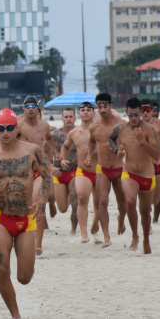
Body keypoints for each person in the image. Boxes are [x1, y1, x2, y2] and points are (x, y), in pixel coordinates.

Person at [0, 109, 51, 319]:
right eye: (1, 128)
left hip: (26, 219)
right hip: (1, 218)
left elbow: (46, 177)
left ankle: (19, 297)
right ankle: (15, 315)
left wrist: (43, 200)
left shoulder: (32, 151)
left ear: (16, 129)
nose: (6, 132)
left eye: (10, 128)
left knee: (24, 278)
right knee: (2, 269)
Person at [110, 99, 160, 252]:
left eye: (136, 114)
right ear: (126, 113)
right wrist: (116, 150)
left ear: (140, 113)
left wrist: (142, 141)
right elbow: (111, 138)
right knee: (130, 200)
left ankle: (146, 239)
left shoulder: (149, 129)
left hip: (147, 175)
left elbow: (156, 155)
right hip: (129, 172)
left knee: (145, 211)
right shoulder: (120, 128)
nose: (133, 118)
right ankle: (135, 236)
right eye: (130, 115)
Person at [16, 96, 59, 255]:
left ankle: (38, 244)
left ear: (37, 108)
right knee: (23, 207)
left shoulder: (44, 125)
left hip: (39, 169)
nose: (31, 108)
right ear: (23, 108)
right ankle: (22, 238)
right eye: (27, 106)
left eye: (33, 105)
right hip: (23, 170)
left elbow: (48, 139)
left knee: (39, 204)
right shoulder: (18, 126)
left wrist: (56, 152)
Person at [89, 94, 127, 246]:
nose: (102, 109)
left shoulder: (121, 124)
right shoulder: (94, 127)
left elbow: (129, 143)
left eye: (105, 106)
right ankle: (106, 237)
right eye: (99, 107)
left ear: (111, 106)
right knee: (102, 201)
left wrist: (123, 151)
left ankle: (121, 219)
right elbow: (91, 142)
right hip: (102, 168)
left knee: (122, 203)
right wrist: (88, 156)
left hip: (119, 168)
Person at [61, 102, 100, 243]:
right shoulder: (74, 133)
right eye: (82, 110)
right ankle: (84, 234)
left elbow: (109, 148)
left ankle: (96, 220)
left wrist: (93, 151)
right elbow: (65, 147)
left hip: (100, 171)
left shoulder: (99, 129)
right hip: (83, 171)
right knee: (82, 199)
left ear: (93, 112)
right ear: (79, 113)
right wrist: (63, 159)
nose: (85, 112)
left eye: (88, 110)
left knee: (100, 203)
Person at [50, 108, 80, 233]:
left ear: (75, 118)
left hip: (75, 171)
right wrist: (50, 166)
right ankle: (64, 194)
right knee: (62, 208)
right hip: (59, 173)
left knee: (75, 203)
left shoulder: (80, 133)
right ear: (62, 119)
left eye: (70, 116)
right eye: (66, 117)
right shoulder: (55, 135)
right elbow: (42, 152)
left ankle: (73, 229)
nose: (68, 119)